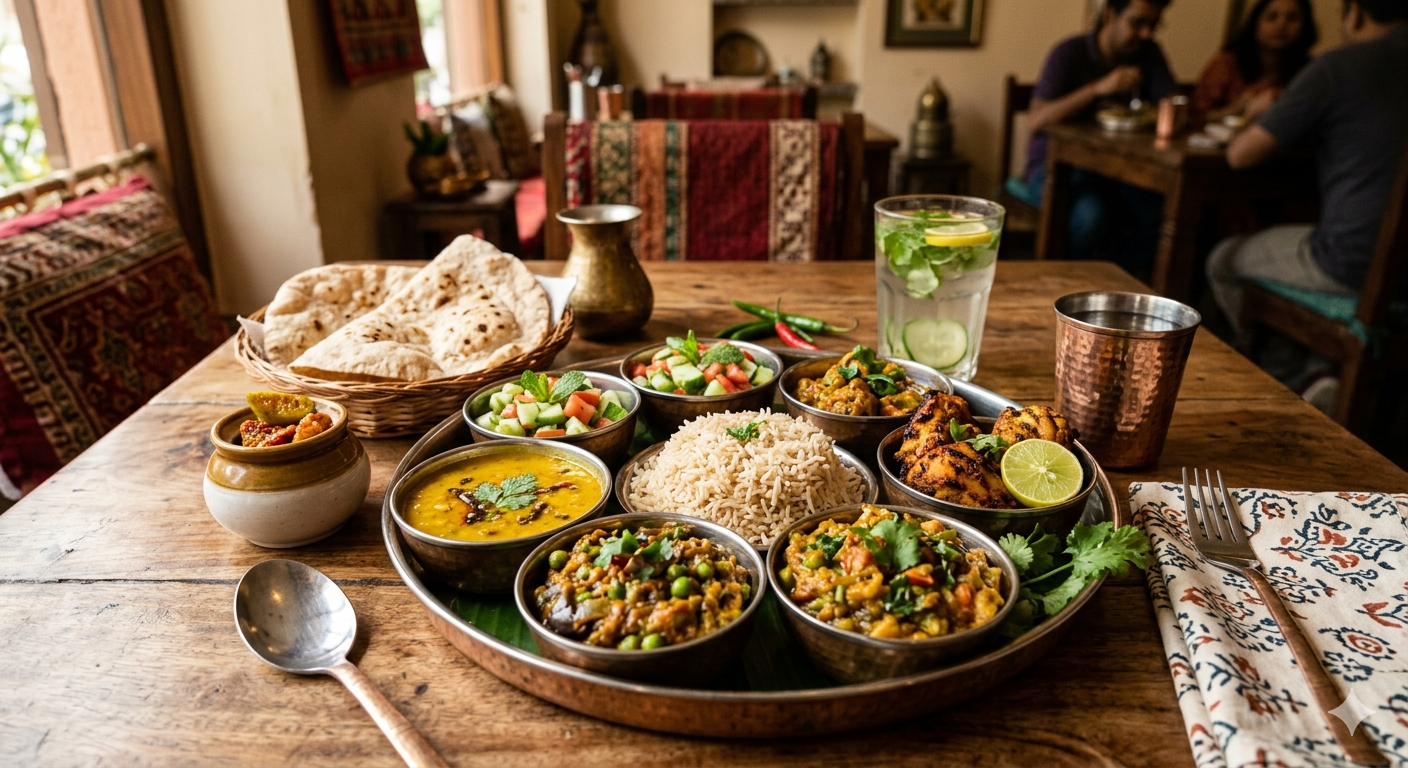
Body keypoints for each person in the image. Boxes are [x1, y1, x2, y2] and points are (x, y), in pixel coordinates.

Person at [1205, 0, 1408, 407]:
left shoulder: (1338, 66)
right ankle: (1316, 368)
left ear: (1355, 12)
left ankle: (1289, 382)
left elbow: (1241, 155)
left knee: (1223, 259)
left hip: (1354, 263)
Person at [1018, 0, 1176, 275]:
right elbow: (1036, 121)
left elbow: (1171, 104)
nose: (1146, 33)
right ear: (1110, 15)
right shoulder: (1070, 53)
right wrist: (1098, 89)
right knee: (1090, 216)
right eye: (1137, 23)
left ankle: (1112, 280)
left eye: (1153, 25)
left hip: (1118, 170)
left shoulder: (1148, 54)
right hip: (1055, 168)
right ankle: (1061, 283)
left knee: (1162, 215)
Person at [1191, 0, 1319, 123]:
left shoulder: (1310, 72)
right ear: (1255, 23)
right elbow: (1195, 117)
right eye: (1272, 17)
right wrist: (1237, 108)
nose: (1281, 24)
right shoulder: (1227, 63)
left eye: (1292, 18)